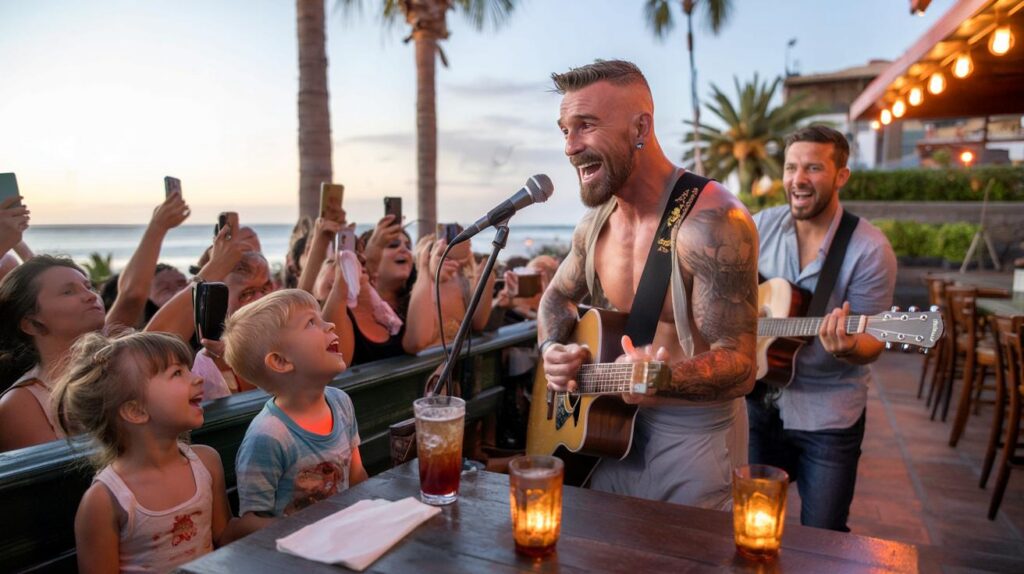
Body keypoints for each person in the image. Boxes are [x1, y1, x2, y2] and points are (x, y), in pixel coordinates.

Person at [538, 60, 758, 510]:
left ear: (641, 126)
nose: (570, 147)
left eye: (586, 126)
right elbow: (556, 298)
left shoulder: (714, 221)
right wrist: (550, 353)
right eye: (565, 130)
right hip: (606, 432)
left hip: (691, 440)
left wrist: (663, 376)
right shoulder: (593, 226)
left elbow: (741, 363)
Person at [747, 125, 896, 532]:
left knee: (824, 535)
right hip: (760, 403)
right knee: (751, 525)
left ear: (841, 176)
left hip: (828, 414)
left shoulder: (869, 249)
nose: (798, 179)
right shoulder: (760, 227)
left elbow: (875, 339)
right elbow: (724, 289)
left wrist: (848, 347)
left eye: (813, 167)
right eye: (791, 167)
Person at [52, 331, 245, 572]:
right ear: (136, 411)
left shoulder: (206, 462)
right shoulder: (106, 500)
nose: (197, 378)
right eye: (177, 373)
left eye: (188, 369)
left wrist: (276, 519)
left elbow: (223, 535)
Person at [222, 289, 367, 533]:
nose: (329, 325)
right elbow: (250, 524)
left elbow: (356, 476)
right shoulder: (268, 436)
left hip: (343, 535)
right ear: (280, 361)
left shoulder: (341, 402)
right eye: (311, 322)